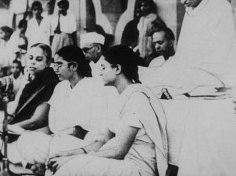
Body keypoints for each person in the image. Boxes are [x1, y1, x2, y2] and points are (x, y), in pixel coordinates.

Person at [47, 45, 168, 176]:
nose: (100, 73)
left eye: (104, 68)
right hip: (121, 163)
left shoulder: (137, 98)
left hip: (137, 168)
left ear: (117, 69)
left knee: (73, 167)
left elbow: (119, 151)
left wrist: (74, 159)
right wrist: (67, 154)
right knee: (59, 161)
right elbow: (103, 142)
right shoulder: (117, 98)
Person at [141, 0, 236, 98]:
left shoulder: (221, 7)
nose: (182, 0)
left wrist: (183, 67)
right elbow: (183, 52)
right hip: (192, 70)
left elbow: (221, 55)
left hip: (214, 73)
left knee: (169, 80)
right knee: (151, 76)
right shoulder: (191, 9)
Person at [16, 45, 112, 172]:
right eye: (54, 65)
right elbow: (53, 127)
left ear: (73, 66)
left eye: (59, 65)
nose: (55, 69)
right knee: (25, 140)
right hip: (58, 139)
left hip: (83, 144)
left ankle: (49, 166)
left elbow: (96, 131)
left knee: (57, 147)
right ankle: (45, 166)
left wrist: (74, 133)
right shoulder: (60, 87)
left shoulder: (94, 86)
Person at [0, 43, 59, 164]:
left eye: (39, 59)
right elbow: (15, 109)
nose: (33, 62)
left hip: (31, 131)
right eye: (30, 58)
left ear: (47, 63)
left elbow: (37, 121)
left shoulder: (48, 84)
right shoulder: (33, 80)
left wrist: (7, 128)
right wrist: (25, 81)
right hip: (19, 124)